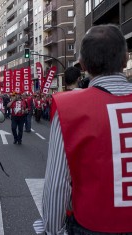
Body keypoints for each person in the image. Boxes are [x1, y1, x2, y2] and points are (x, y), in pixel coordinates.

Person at [42, 24, 132, 234]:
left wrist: (53, 230)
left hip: (92, 225)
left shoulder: (69, 108)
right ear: (125, 58)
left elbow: (57, 185)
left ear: (82, 63)